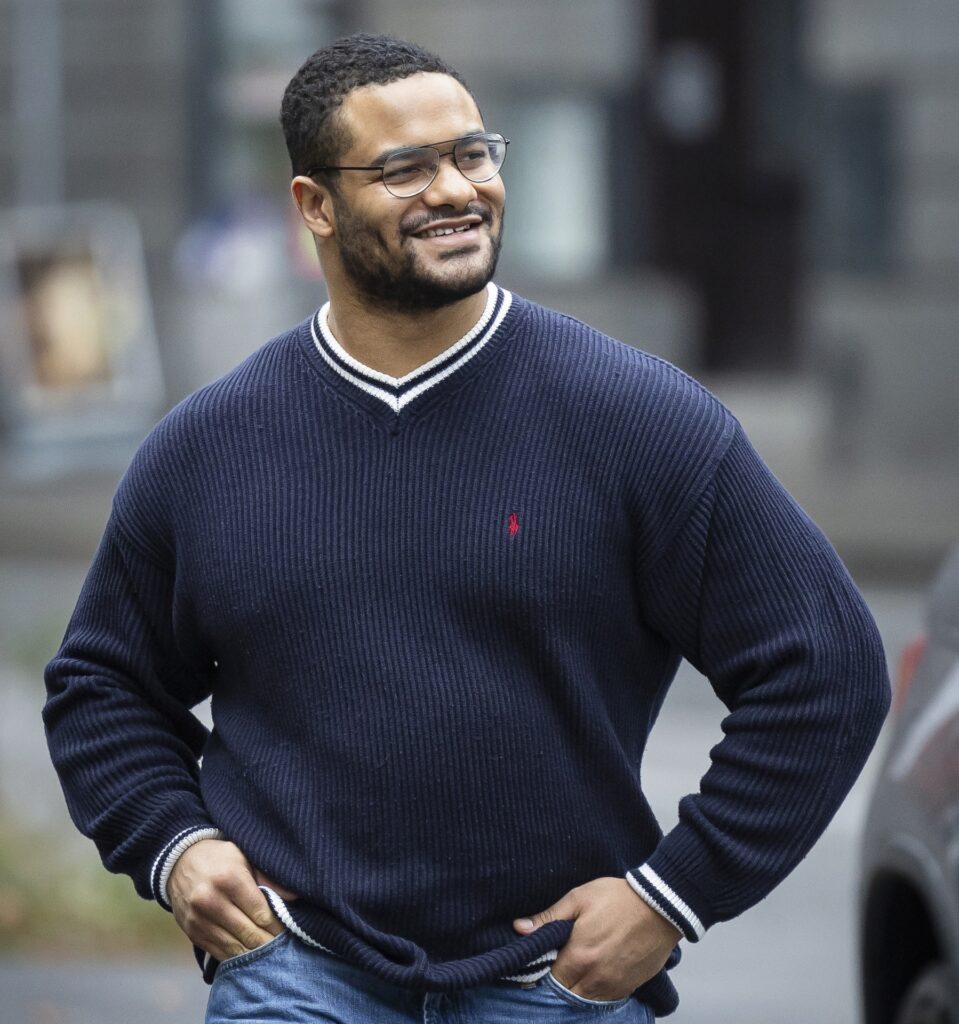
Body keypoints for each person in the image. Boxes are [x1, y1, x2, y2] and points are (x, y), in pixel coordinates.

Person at [43, 33, 890, 1023]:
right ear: (314, 206)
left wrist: (672, 896)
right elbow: (102, 685)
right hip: (295, 974)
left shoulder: (637, 420)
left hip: (554, 985)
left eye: (472, 154)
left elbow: (824, 668)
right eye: (405, 168)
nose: (455, 189)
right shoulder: (209, 448)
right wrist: (175, 846)